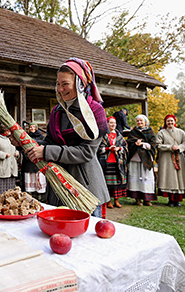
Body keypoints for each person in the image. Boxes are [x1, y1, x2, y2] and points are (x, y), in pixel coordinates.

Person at [25, 58, 110, 218]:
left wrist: (47, 151)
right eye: (58, 84)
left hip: (84, 186)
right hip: (58, 188)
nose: (60, 89)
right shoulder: (57, 111)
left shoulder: (94, 112)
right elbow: (49, 143)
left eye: (65, 84)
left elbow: (86, 152)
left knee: (86, 240)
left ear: (80, 84)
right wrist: (27, 143)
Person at [156, 115, 185, 207]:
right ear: (165, 122)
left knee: (178, 178)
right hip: (166, 158)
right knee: (169, 178)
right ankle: (170, 199)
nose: (170, 123)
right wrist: (170, 147)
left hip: (179, 156)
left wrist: (179, 147)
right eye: (168, 121)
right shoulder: (161, 133)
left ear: (175, 121)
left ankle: (177, 200)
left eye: (171, 121)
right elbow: (158, 145)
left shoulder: (181, 132)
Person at [97, 116, 128, 208]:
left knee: (117, 182)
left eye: (114, 123)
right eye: (111, 123)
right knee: (108, 182)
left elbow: (125, 147)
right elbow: (98, 148)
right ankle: (108, 201)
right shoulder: (103, 135)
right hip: (106, 162)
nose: (113, 124)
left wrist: (119, 149)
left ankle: (117, 200)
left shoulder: (119, 136)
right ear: (107, 124)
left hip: (118, 162)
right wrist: (107, 149)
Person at [126, 114, 156, 206]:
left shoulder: (150, 131)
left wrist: (142, 144)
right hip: (135, 159)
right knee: (135, 178)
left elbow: (153, 144)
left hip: (146, 159)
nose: (139, 122)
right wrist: (135, 143)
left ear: (145, 122)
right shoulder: (133, 132)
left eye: (141, 121)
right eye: (138, 121)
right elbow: (129, 142)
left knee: (146, 179)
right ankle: (137, 199)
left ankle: (147, 199)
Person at [21, 123, 47, 200]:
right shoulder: (26, 138)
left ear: (37, 128)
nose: (32, 128)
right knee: (30, 184)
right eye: (31, 127)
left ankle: (40, 199)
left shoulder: (42, 138)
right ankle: (30, 199)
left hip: (39, 164)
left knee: (39, 185)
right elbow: (23, 150)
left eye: (34, 127)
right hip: (29, 163)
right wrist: (30, 156)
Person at [0, 124, 19, 194]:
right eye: (8, 130)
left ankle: (11, 203)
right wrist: (4, 155)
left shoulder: (8, 139)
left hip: (11, 168)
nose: (10, 131)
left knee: (11, 190)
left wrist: (16, 152)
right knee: (3, 191)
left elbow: (12, 148)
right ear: (5, 131)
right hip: (3, 167)